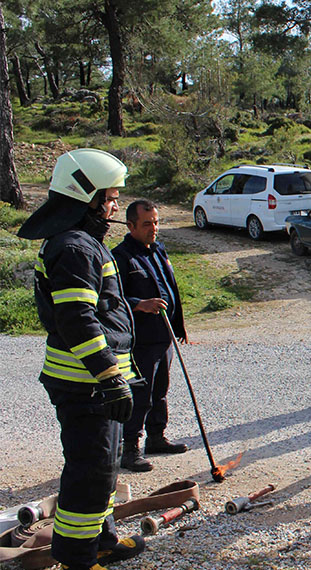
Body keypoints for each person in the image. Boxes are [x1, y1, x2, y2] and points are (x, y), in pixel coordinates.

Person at [17, 149, 146, 570]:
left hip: (91, 383)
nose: (113, 208)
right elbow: (77, 319)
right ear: (86, 197)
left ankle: (102, 539)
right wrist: (110, 376)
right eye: (109, 198)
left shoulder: (81, 243)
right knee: (89, 472)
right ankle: (77, 557)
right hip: (85, 384)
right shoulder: (74, 248)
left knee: (104, 468)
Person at [111, 200, 189, 473]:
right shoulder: (120, 257)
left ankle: (156, 438)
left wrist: (178, 328)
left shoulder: (157, 250)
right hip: (140, 339)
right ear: (130, 225)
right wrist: (139, 303)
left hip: (164, 336)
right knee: (140, 393)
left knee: (160, 391)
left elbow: (171, 288)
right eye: (147, 224)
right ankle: (130, 448)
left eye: (156, 222)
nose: (153, 228)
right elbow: (110, 298)